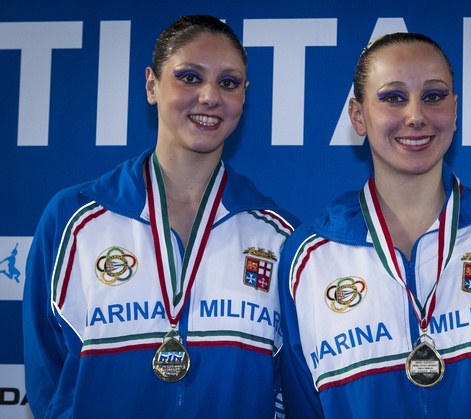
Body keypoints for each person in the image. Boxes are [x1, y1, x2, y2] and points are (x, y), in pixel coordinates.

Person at [278, 32, 471, 418]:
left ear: (454, 110)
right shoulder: (310, 255)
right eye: (393, 97)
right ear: (358, 115)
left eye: (433, 96)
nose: (415, 116)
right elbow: (302, 403)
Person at [23, 15, 298, 418]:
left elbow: (286, 385)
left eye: (228, 82)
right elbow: (48, 377)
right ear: (152, 85)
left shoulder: (279, 234)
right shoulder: (73, 218)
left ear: (244, 95)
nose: (209, 96)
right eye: (189, 77)